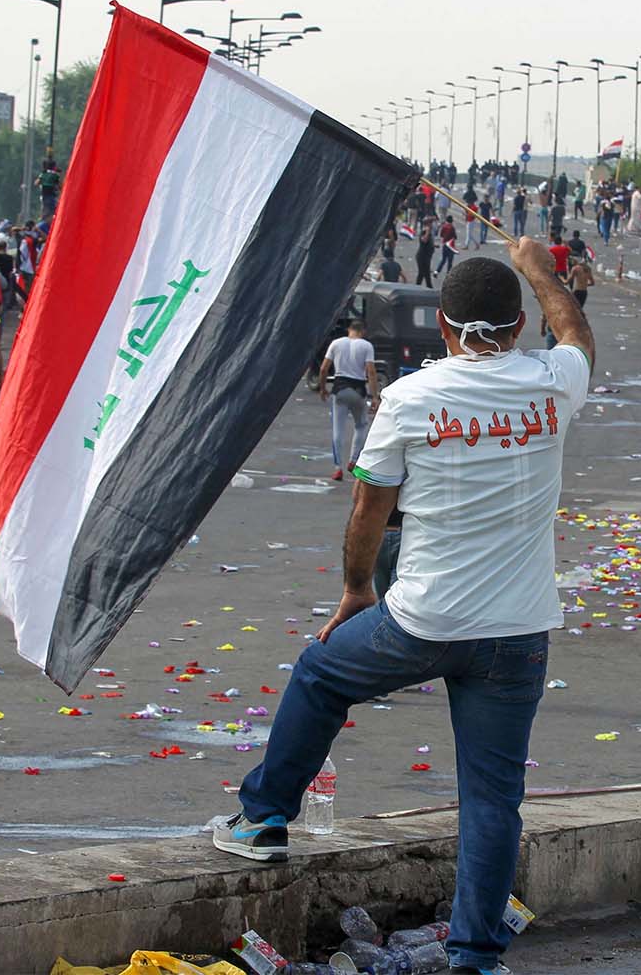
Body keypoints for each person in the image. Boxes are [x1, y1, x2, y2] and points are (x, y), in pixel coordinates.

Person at [213, 241, 593, 975]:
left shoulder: (412, 398)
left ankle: (264, 816)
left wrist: (357, 588)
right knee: (491, 801)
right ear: (517, 326)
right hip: (517, 631)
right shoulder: (553, 382)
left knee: (323, 674)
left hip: (423, 619)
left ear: (444, 329)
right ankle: (475, 958)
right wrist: (537, 266)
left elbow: (368, 507)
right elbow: (575, 332)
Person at [318, 319, 379, 481]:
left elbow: (324, 368)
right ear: (363, 332)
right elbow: (371, 372)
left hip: (339, 389)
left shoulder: (336, 344)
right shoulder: (366, 346)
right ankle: (353, 460)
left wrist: (323, 388)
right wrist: (374, 397)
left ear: (349, 330)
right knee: (361, 426)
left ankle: (337, 468)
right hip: (358, 390)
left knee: (338, 429)